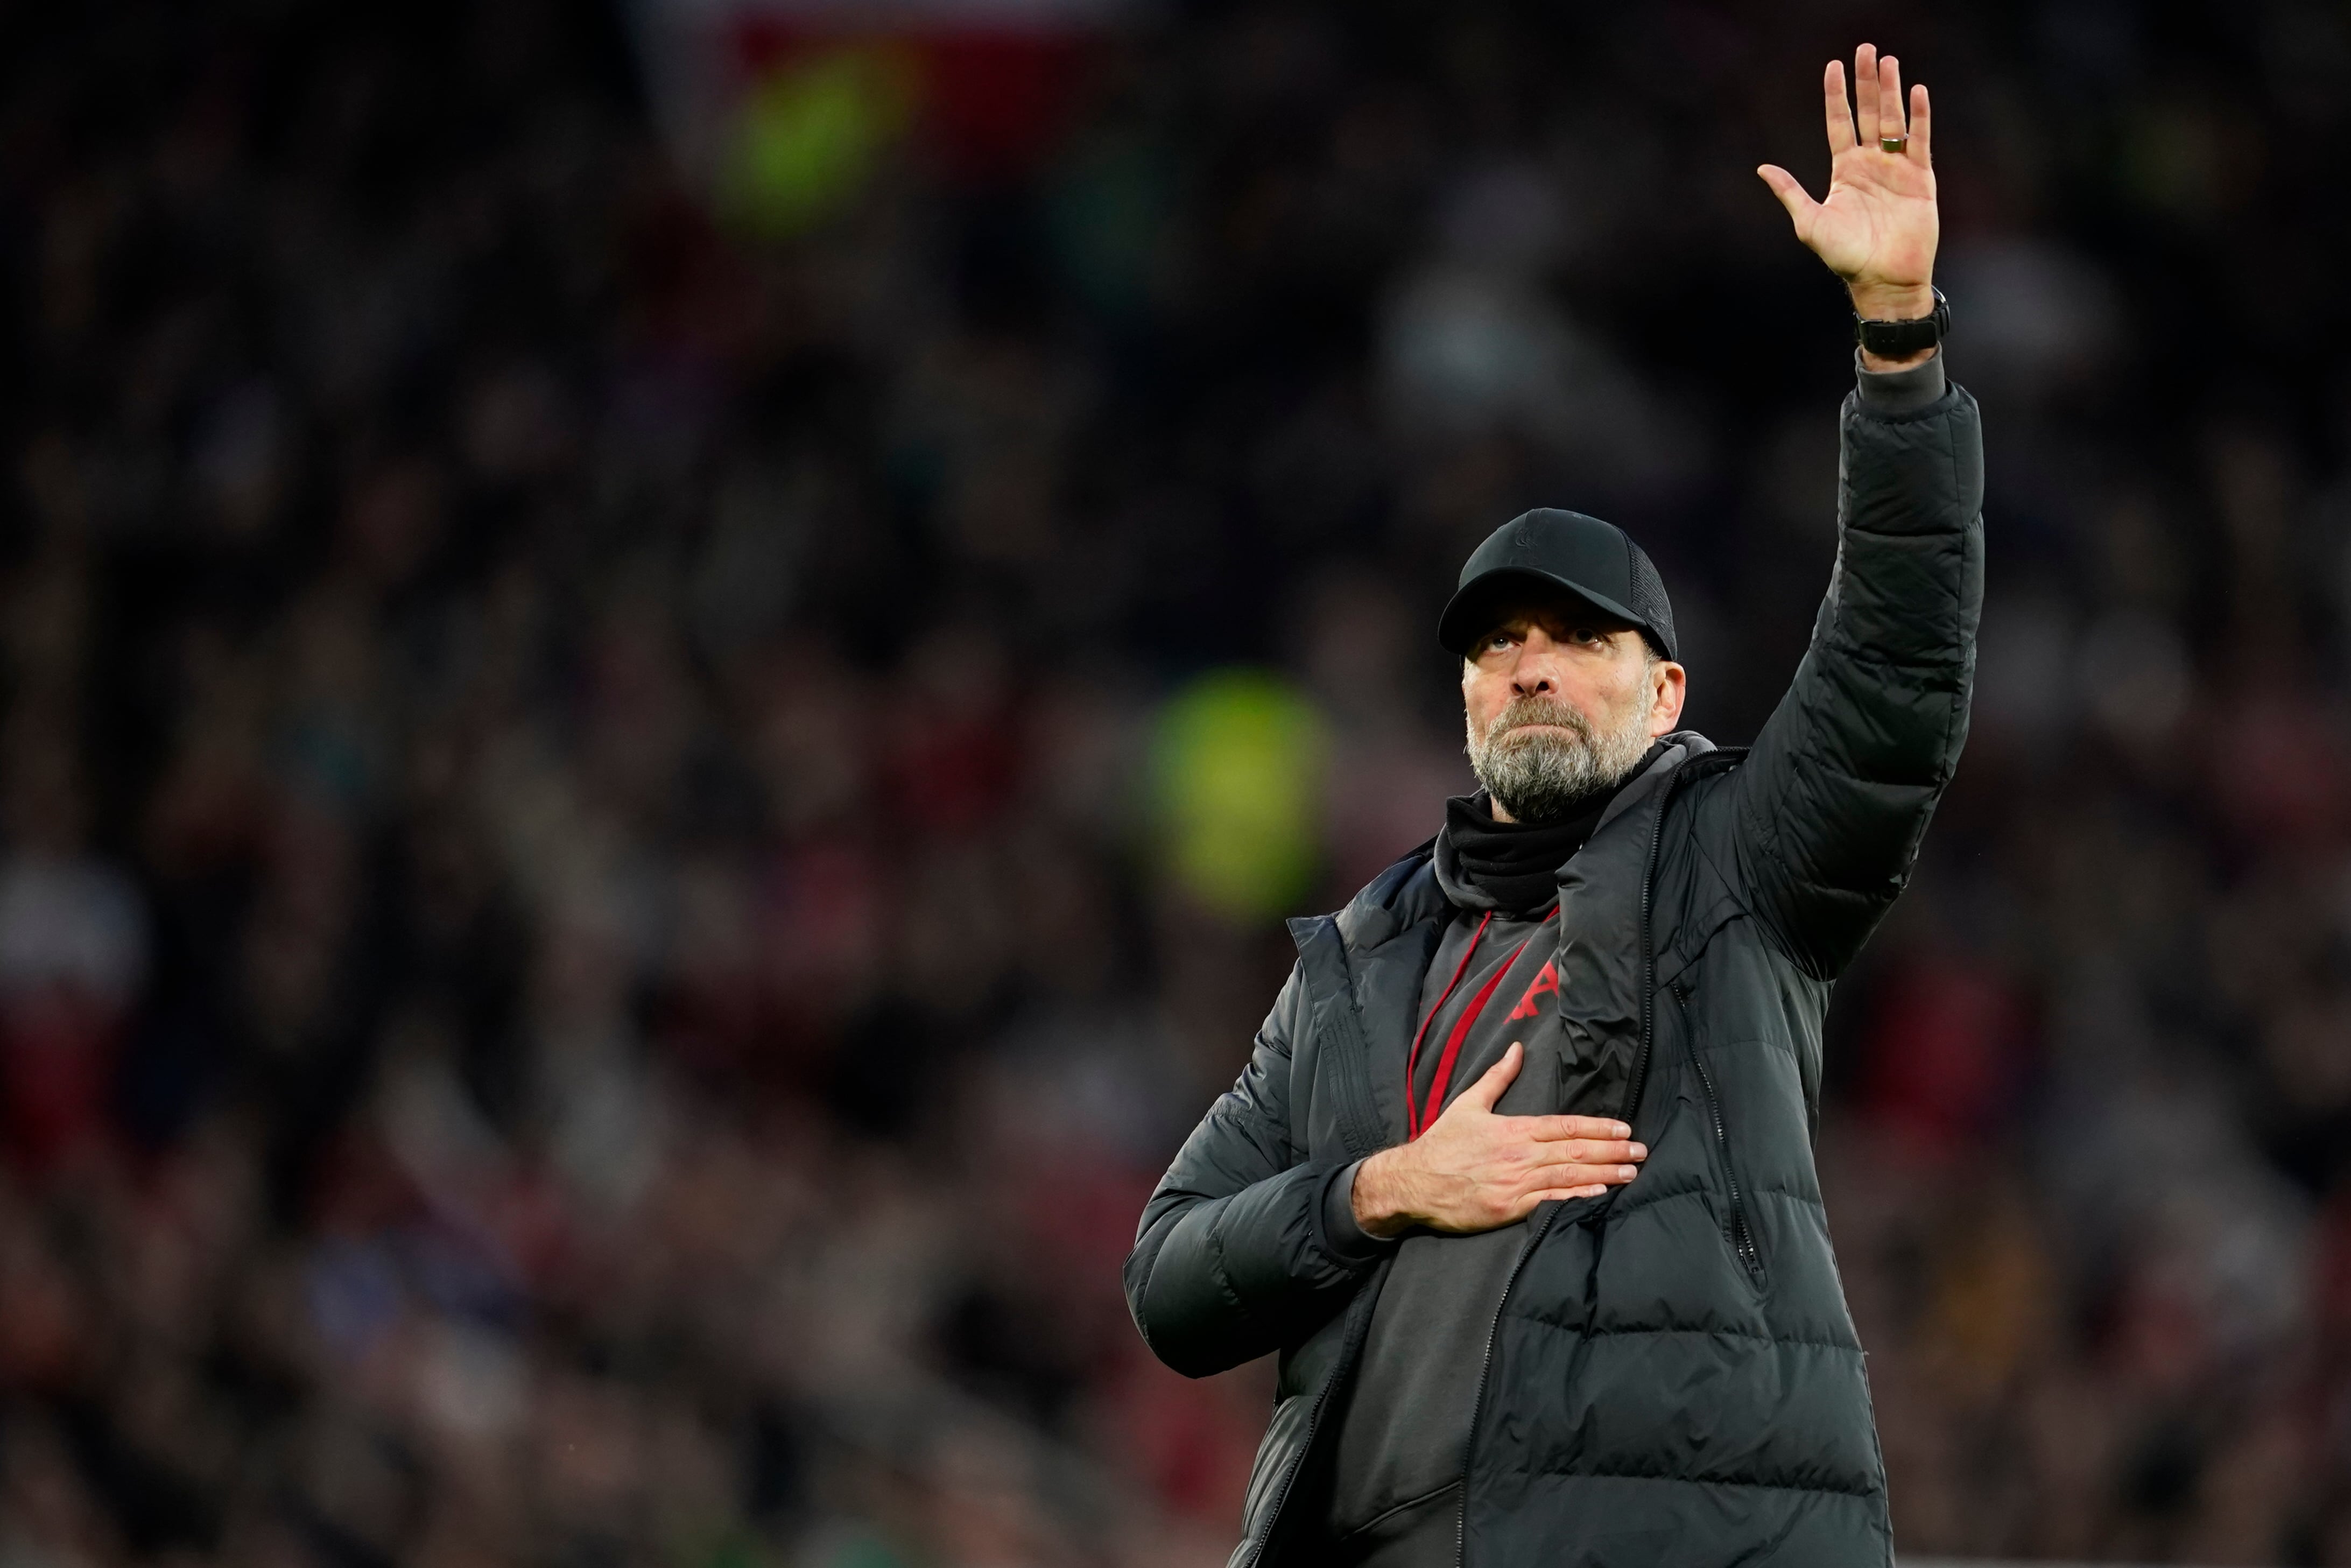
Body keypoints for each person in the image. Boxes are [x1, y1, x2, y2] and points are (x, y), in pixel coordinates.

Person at [1123, 45, 1982, 1568]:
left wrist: (1898, 348)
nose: (1528, 668)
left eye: (1580, 639)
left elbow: (1894, 673)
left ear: (1666, 692)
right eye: (1496, 643)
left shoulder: (1736, 859)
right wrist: (1387, 1187)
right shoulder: (1357, 964)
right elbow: (1172, 1277)